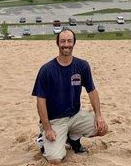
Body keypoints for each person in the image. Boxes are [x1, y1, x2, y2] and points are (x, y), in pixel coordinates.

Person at [32, 29, 108, 164]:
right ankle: (42, 140)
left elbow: (92, 91)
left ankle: (72, 137)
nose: (66, 44)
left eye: (69, 41)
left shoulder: (82, 66)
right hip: (55, 121)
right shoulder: (46, 70)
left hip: (75, 115)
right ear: (57, 43)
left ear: (74, 43)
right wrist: (48, 127)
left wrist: (98, 114)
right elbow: (40, 101)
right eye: (63, 41)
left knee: (103, 129)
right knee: (55, 159)